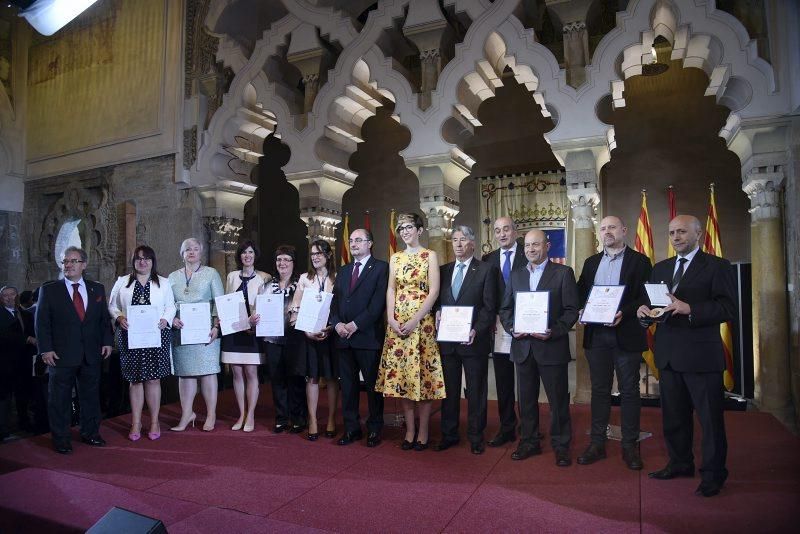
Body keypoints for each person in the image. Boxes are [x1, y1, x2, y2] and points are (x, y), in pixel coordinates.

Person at [637, 214, 736, 498]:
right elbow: (655, 307)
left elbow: (727, 308)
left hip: (702, 357)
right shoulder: (660, 268)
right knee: (674, 417)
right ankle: (680, 463)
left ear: (698, 235)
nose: (676, 237)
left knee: (710, 420)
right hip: (668, 356)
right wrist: (643, 314)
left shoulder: (717, 266)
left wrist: (690, 308)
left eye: (682, 231)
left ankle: (713, 475)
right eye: (671, 232)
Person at [576, 216, 652, 470]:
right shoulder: (591, 262)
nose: (607, 232)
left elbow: (645, 296)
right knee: (599, 390)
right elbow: (580, 293)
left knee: (629, 390)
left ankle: (630, 445)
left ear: (624, 230)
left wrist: (625, 313)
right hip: (597, 336)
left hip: (625, 334)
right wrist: (580, 310)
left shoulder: (640, 261)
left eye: (612, 227)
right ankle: (597, 443)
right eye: (603, 228)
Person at [498, 229, 579, 466]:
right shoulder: (516, 275)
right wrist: (513, 328)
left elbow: (571, 310)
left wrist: (554, 331)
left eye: (536, 245)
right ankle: (529, 442)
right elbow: (505, 309)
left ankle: (561, 445)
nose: (531, 250)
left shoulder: (563, 273)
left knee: (557, 400)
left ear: (547, 246)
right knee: (526, 400)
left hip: (551, 347)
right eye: (527, 246)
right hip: (523, 347)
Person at [376, 213, 444, 451]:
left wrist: (416, 319)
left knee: (422, 378)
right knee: (404, 378)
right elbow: (391, 290)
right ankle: (410, 431)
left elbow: (434, 291)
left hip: (421, 323)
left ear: (420, 230)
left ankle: (423, 431)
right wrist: (392, 319)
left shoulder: (430, 256)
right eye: (401, 228)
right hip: (398, 324)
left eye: (408, 227)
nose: (404, 231)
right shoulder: (395, 258)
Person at [35, 246, 113, 454]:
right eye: (65, 261)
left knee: (90, 397)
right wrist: (45, 350)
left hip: (91, 354)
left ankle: (91, 433)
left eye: (73, 261)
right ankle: (61, 438)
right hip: (60, 355)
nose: (68, 265)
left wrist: (107, 342)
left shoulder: (97, 289)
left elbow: (103, 320)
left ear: (84, 265)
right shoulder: (50, 290)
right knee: (59, 399)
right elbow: (42, 323)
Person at [434, 225, 498, 455]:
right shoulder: (443, 270)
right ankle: (449, 433)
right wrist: (438, 312)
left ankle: (475, 435)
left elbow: (490, 307)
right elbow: (438, 301)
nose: (458, 244)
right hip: (448, 342)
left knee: (476, 390)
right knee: (449, 390)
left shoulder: (486, 270)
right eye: (455, 240)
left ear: (472, 243)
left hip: (474, 341)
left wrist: (477, 330)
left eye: (463, 240)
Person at [108, 246, 176, 441]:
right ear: (133, 262)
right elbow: (112, 305)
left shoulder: (163, 282)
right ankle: (136, 422)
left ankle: (154, 421)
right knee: (135, 380)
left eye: (146, 259)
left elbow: (171, 305)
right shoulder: (122, 282)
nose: (142, 262)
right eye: (138, 259)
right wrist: (119, 317)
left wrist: (165, 319)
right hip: (131, 336)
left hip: (156, 336)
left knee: (154, 379)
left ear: (153, 261)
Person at [331, 228, 388, 447]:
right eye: (351, 240)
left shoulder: (381, 268)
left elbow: (377, 305)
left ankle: (374, 429)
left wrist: (355, 325)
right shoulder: (344, 270)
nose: (354, 244)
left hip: (368, 338)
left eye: (358, 240)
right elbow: (334, 303)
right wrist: (336, 324)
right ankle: (351, 428)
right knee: (348, 387)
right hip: (343, 338)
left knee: (373, 387)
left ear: (370, 243)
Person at [168, 238, 224, 432]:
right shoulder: (173, 277)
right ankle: (187, 414)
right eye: (187, 250)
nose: (191, 252)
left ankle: (211, 414)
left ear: (201, 252)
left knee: (208, 372)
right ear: (181, 254)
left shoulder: (211, 273)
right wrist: (171, 318)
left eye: (195, 249)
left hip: (206, 331)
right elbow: (168, 304)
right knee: (185, 374)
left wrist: (217, 326)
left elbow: (219, 302)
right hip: (181, 332)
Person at [482, 216, 526, 448]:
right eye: (497, 230)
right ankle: (507, 426)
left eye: (506, 229)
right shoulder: (487, 260)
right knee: (503, 380)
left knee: (528, 380)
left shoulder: (527, 252)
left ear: (515, 231)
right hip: (499, 328)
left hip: (528, 325)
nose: (501, 234)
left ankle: (530, 427)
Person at [289, 240, 339, 441]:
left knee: (332, 378)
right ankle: (312, 420)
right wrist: (306, 330)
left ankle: (331, 420)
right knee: (312, 378)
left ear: (328, 255)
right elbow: (295, 308)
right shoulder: (304, 279)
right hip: (308, 335)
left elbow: (341, 307)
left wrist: (331, 327)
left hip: (330, 334)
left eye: (319, 253)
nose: (315, 257)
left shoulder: (337, 278)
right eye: (312, 254)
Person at [221, 241, 271, 432]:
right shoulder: (232, 276)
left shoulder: (264, 277)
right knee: (237, 373)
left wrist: (253, 320)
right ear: (239, 256)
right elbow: (226, 300)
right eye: (243, 253)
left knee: (250, 373)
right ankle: (241, 414)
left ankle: (250, 414)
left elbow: (267, 304)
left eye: (250, 252)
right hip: (234, 331)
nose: (247, 256)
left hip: (252, 332)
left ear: (255, 255)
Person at [263, 245, 307, 434]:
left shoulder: (301, 285)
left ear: (293, 263)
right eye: (279, 259)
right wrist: (255, 318)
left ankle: (298, 417)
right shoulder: (266, 286)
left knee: (296, 379)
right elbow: (259, 310)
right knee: (277, 379)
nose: (282, 263)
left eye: (286, 259)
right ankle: (281, 417)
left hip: (295, 338)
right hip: (272, 339)